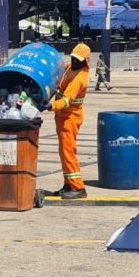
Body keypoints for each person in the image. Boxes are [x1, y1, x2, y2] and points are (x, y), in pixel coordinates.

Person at [41, 43, 91, 199]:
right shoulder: (71, 68)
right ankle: (68, 184)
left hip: (70, 117)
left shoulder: (80, 78)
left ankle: (78, 187)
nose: (75, 61)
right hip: (63, 117)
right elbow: (59, 70)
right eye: (73, 58)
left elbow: (67, 100)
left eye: (78, 60)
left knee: (68, 152)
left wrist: (50, 106)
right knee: (64, 152)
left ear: (85, 61)